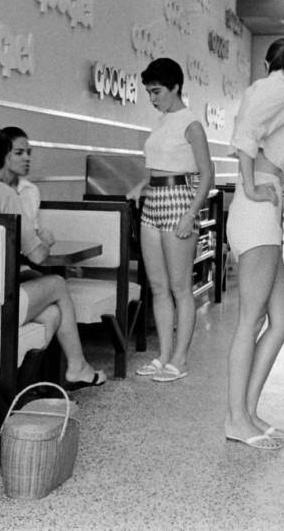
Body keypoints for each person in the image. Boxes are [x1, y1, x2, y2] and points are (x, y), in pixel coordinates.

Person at [0, 124, 106, 390]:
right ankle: (76, 366)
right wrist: (45, 240)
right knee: (57, 284)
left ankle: (19, 385)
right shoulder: (4, 194)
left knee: (50, 313)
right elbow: (36, 254)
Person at [222, 38, 284, 449]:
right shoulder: (282, 89)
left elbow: (270, 160)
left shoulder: (268, 91)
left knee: (283, 320)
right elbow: (245, 135)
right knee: (250, 321)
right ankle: (236, 419)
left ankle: (248, 413)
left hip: (263, 210)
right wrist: (253, 187)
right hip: (256, 215)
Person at [125, 58, 214, 384]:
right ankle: (163, 355)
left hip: (180, 200)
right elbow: (159, 166)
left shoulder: (190, 123)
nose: (153, 97)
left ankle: (180, 358)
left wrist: (191, 214)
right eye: (149, 92)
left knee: (180, 287)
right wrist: (140, 187)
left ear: (176, 87)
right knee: (158, 288)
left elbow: (207, 173)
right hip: (153, 201)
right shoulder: (161, 122)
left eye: (157, 91)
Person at [0, 126, 55, 249]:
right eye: (19, 153)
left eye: (28, 153)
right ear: (2, 155)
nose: (27, 158)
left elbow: (32, 235)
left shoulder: (31, 190)